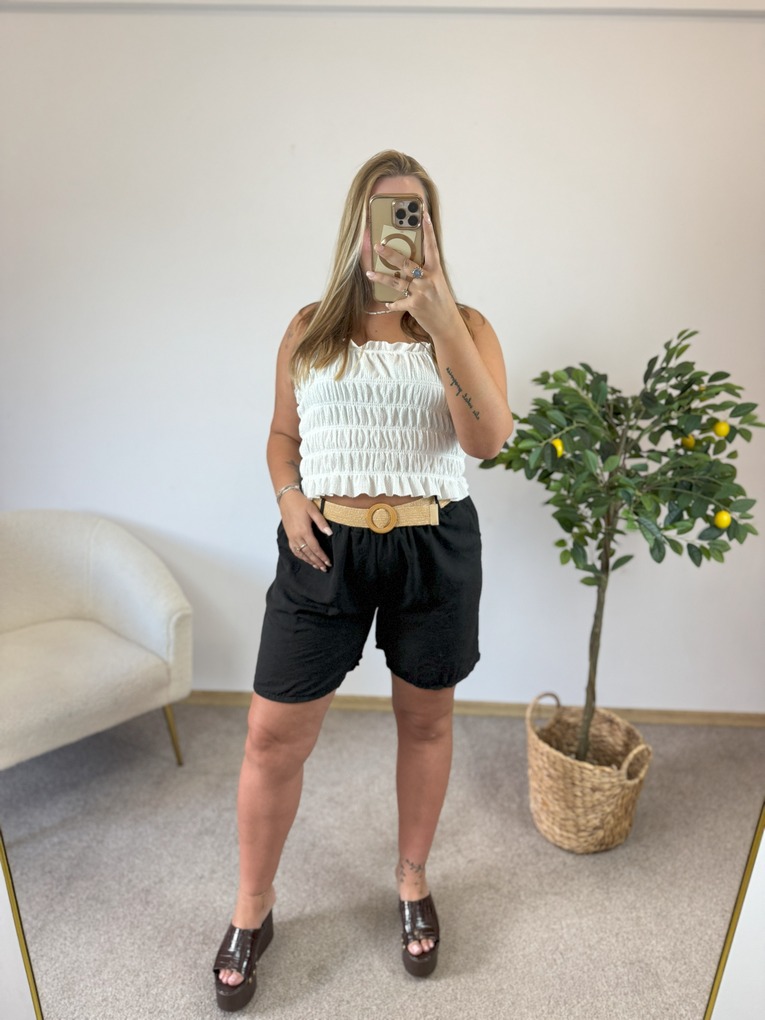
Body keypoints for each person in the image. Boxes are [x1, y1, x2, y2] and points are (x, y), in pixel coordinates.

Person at [213, 150, 513, 1012]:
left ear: (431, 227)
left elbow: (487, 441)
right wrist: (288, 498)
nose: (397, 228)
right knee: (271, 736)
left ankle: (411, 878)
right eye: (384, 211)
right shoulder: (310, 325)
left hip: (433, 544)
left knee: (425, 722)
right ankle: (252, 904)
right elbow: (282, 436)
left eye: (413, 212)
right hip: (324, 546)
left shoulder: (467, 324)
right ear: (357, 224)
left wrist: (441, 321)